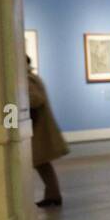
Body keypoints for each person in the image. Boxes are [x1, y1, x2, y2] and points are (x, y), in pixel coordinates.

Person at [27, 55, 68, 208]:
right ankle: (53, 195)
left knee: (40, 163)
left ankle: (52, 195)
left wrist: (19, 102)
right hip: (38, 128)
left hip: (35, 128)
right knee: (42, 163)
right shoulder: (33, 77)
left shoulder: (26, 79)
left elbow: (36, 99)